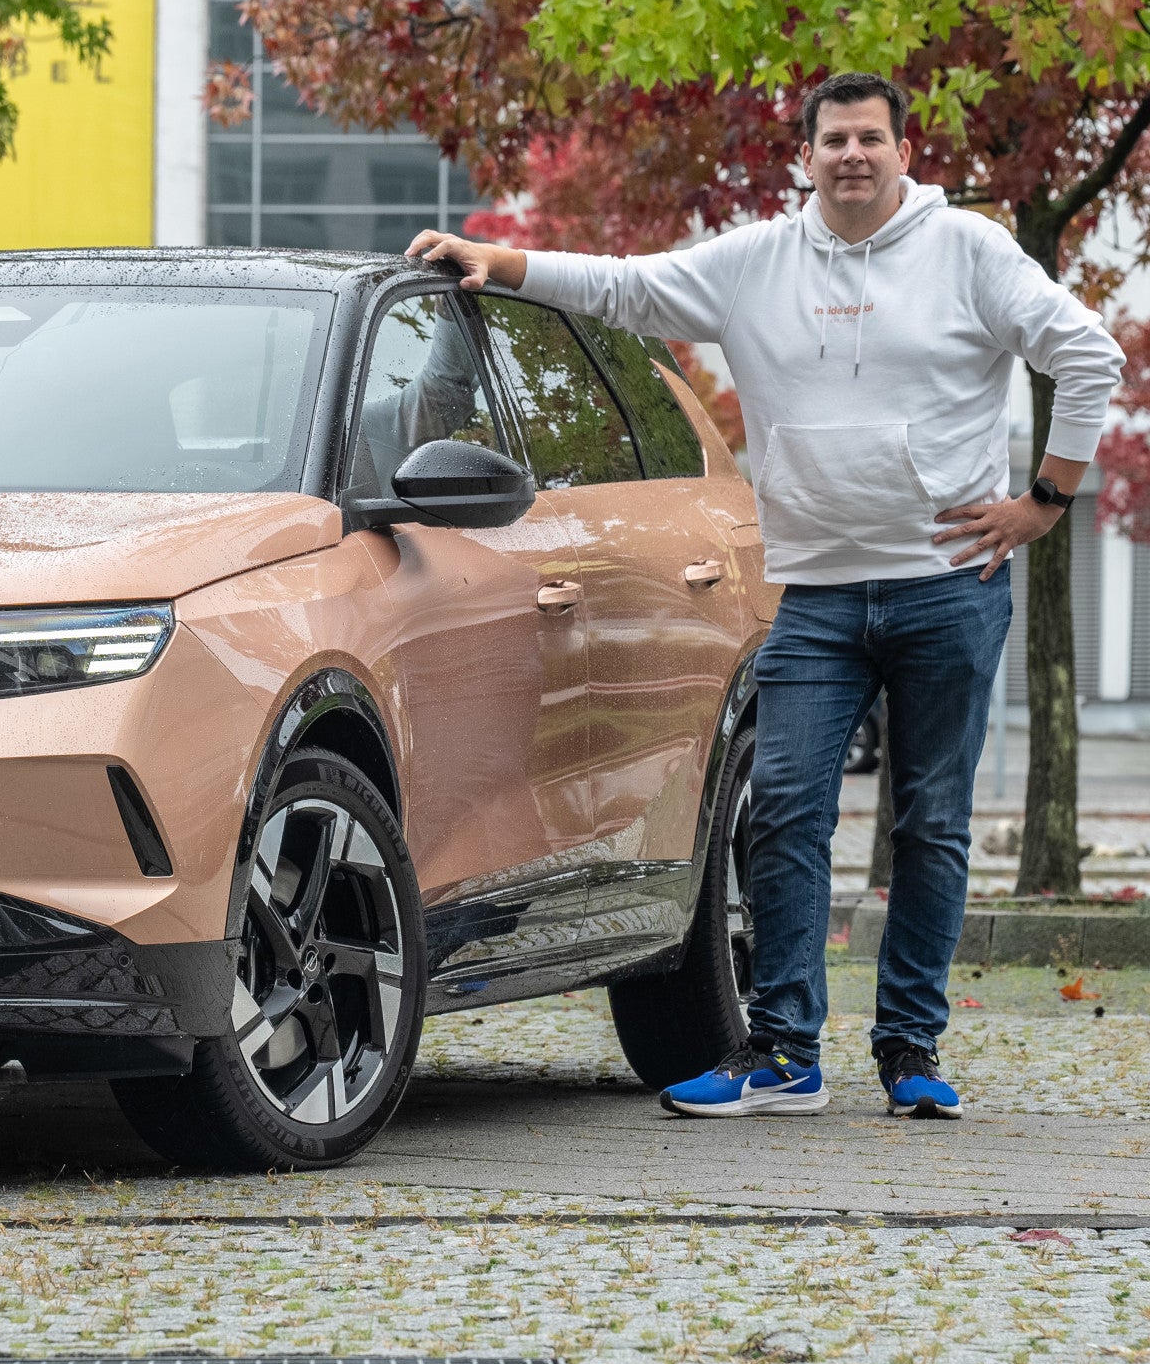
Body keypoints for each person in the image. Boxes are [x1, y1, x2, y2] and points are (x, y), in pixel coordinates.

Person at [406, 72, 1122, 1120]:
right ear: (806, 155)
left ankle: (909, 1050)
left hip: (946, 589)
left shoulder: (966, 250)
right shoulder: (755, 264)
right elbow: (623, 287)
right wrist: (497, 260)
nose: (851, 156)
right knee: (779, 811)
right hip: (817, 599)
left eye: (870, 138)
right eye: (833, 140)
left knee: (930, 825)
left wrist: (1044, 500)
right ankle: (782, 1052)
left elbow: (1087, 354)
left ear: (900, 150)